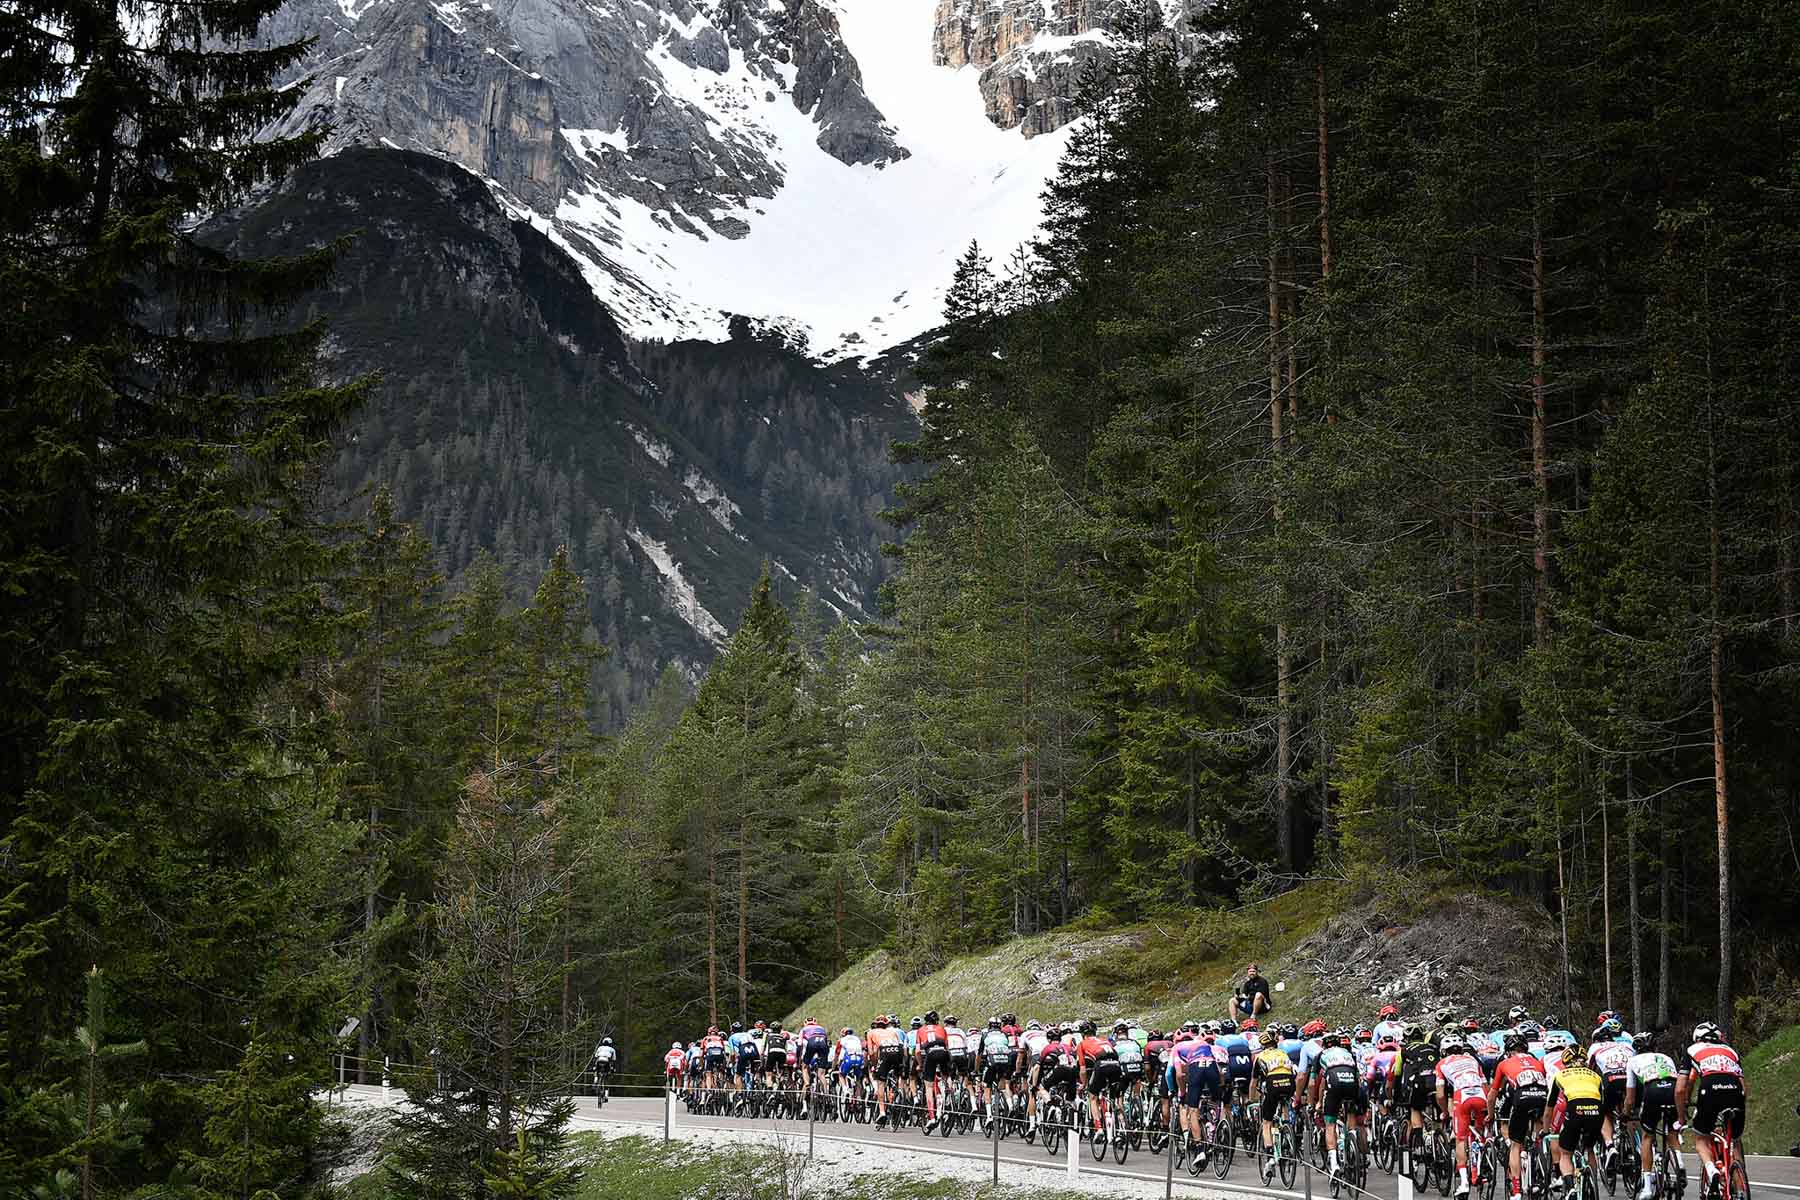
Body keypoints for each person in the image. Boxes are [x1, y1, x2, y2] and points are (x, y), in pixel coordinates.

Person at [1676, 1021, 1747, 1199]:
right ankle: (1740, 1190)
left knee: (1701, 1137)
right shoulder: (1730, 1051)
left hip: (1710, 1088)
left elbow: (1681, 1087)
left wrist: (1682, 1112)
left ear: (1697, 1038)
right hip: (1735, 1091)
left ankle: (1711, 1169)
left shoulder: (1693, 1049)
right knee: (1734, 1141)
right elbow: (1744, 1087)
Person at [1489, 1031, 1548, 1199]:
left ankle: (1516, 1190)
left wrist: (1491, 1114)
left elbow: (1494, 1093)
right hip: (1542, 1096)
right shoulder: (1537, 1061)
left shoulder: (1504, 1062)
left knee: (1516, 1145)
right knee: (1539, 1132)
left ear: (1508, 1050)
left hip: (1521, 1098)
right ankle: (1540, 1157)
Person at [1624, 1030, 1681, 1200]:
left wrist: (1626, 1114)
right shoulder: (1667, 1057)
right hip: (1672, 1088)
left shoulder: (1633, 1060)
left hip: (1653, 1090)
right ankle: (1680, 1165)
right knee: (1671, 1132)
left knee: (1647, 1136)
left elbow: (1630, 1096)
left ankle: (1647, 1188)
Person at [1544, 1046, 1605, 1200]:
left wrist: (1546, 1129)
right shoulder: (1595, 1075)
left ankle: (1570, 1186)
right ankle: (1592, 1182)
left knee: (1565, 1153)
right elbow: (1602, 1100)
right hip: (1596, 1111)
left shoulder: (1560, 1075)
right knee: (1589, 1148)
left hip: (1575, 1108)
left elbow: (1550, 1108)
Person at [1436, 1033, 1490, 1198]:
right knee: (1479, 1131)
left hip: (1462, 1097)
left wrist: (1445, 1111)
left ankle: (1464, 1183)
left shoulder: (1441, 1064)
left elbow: (1439, 1095)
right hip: (1481, 1095)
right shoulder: (1472, 1060)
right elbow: (1485, 1084)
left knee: (1461, 1138)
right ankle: (1482, 1164)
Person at [1253, 1028, 1299, 1184]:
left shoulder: (1260, 1056)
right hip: (1289, 1081)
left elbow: (1254, 1082)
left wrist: (1251, 1099)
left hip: (1273, 1083)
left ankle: (1270, 1156)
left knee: (1267, 1122)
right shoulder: (1283, 1053)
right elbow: (1293, 1071)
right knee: (1284, 1101)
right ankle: (1287, 1128)